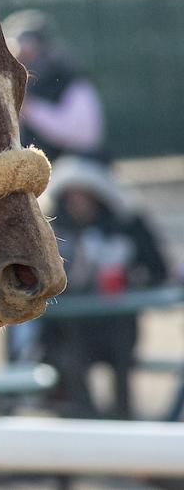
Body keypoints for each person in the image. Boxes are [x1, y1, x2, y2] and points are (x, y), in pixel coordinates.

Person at [33, 156, 168, 418]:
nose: (78, 204)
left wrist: (131, 279)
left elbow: (157, 270)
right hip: (68, 331)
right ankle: (85, 422)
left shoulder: (124, 230)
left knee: (121, 362)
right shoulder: (54, 233)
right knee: (70, 361)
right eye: (73, 197)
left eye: (84, 197)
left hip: (116, 327)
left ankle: (123, 420)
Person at [2, 9, 104, 162]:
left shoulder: (70, 81)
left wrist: (30, 108)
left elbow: (84, 136)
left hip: (75, 166)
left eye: (28, 52)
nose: (22, 60)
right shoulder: (6, 87)